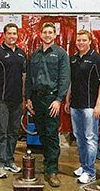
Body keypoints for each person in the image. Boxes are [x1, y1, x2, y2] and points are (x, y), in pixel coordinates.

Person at [26, 22, 70, 187]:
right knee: (42, 133)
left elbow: (65, 78)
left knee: (51, 135)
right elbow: (29, 78)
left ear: (55, 34)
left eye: (50, 32)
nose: (47, 35)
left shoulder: (61, 54)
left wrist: (59, 100)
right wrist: (28, 98)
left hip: (52, 100)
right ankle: (47, 161)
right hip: (37, 100)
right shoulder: (35, 54)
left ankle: (52, 171)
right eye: (45, 32)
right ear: (40, 34)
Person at [65, 30, 100, 184]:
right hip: (75, 105)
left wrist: (98, 104)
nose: (81, 43)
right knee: (79, 137)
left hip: (90, 107)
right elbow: (71, 81)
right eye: (78, 40)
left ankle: (90, 172)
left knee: (90, 138)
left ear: (90, 41)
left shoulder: (97, 59)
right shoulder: (74, 59)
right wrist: (67, 99)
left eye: (84, 40)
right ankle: (84, 166)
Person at [0, 23, 26, 178]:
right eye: (9, 33)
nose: (12, 36)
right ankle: (0, 164)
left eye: (14, 33)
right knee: (1, 132)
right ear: (4, 35)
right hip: (1, 100)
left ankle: (9, 161)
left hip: (16, 100)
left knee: (13, 132)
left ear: (17, 35)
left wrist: (23, 97)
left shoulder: (22, 54)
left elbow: (24, 77)